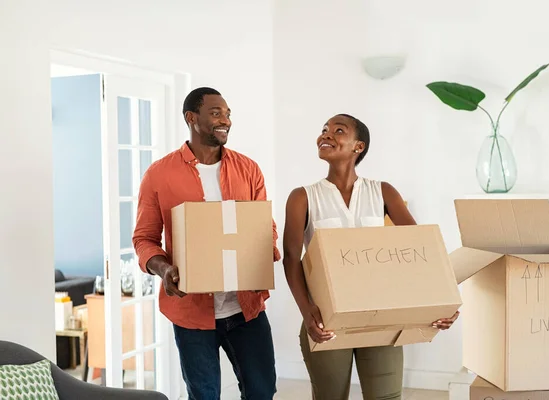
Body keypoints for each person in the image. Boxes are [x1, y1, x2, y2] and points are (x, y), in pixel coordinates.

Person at [282, 113, 459, 400]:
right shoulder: (302, 197)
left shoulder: (383, 192)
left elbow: (421, 251)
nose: (326, 134)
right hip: (328, 321)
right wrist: (306, 310)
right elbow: (291, 259)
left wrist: (439, 303)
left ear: (358, 147)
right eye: (324, 130)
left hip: (381, 319)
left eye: (338, 130)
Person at [133, 87, 280, 400]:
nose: (225, 120)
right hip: (191, 311)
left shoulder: (248, 169)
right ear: (192, 118)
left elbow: (263, 225)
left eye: (227, 114)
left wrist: (267, 252)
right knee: (204, 394)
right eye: (216, 113)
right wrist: (164, 269)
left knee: (262, 391)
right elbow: (144, 238)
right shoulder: (159, 175)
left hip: (245, 307)